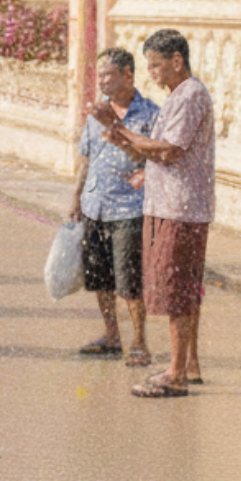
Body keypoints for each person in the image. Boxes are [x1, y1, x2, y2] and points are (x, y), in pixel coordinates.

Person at [92, 27, 214, 399]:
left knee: (176, 292)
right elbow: (150, 154)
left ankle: (176, 372)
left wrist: (117, 128)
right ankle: (188, 365)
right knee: (184, 291)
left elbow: (168, 151)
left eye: (157, 65)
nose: (153, 73)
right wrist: (121, 136)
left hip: (179, 208)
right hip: (172, 204)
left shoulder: (189, 94)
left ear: (177, 61)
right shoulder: (180, 96)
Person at [67, 47, 160, 365]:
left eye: (108, 75)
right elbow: (85, 157)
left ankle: (139, 341)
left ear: (128, 75)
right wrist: (76, 196)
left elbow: (154, 161)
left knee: (129, 280)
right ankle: (111, 335)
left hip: (129, 209)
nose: (102, 81)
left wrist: (124, 139)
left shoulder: (150, 115)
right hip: (95, 205)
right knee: (100, 277)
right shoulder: (96, 115)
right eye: (99, 75)